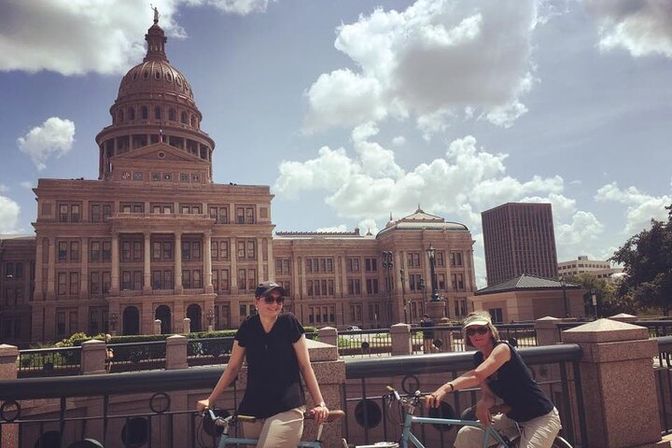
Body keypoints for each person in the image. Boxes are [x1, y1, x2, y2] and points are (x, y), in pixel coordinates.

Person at [196, 281, 329, 447]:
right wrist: (210, 400)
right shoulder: (248, 327)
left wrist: (320, 403)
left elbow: (305, 366)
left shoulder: (289, 323)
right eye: (269, 299)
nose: (275, 304)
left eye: (279, 300)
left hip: (287, 406)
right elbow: (232, 368)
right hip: (253, 408)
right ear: (256, 301)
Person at [425, 311, 561, 448]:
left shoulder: (503, 349)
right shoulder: (479, 358)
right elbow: (488, 396)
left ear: (490, 332)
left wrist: (446, 388)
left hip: (540, 417)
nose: (476, 335)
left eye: (482, 330)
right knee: (467, 434)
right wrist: (483, 405)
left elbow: (477, 375)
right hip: (513, 417)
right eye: (471, 331)